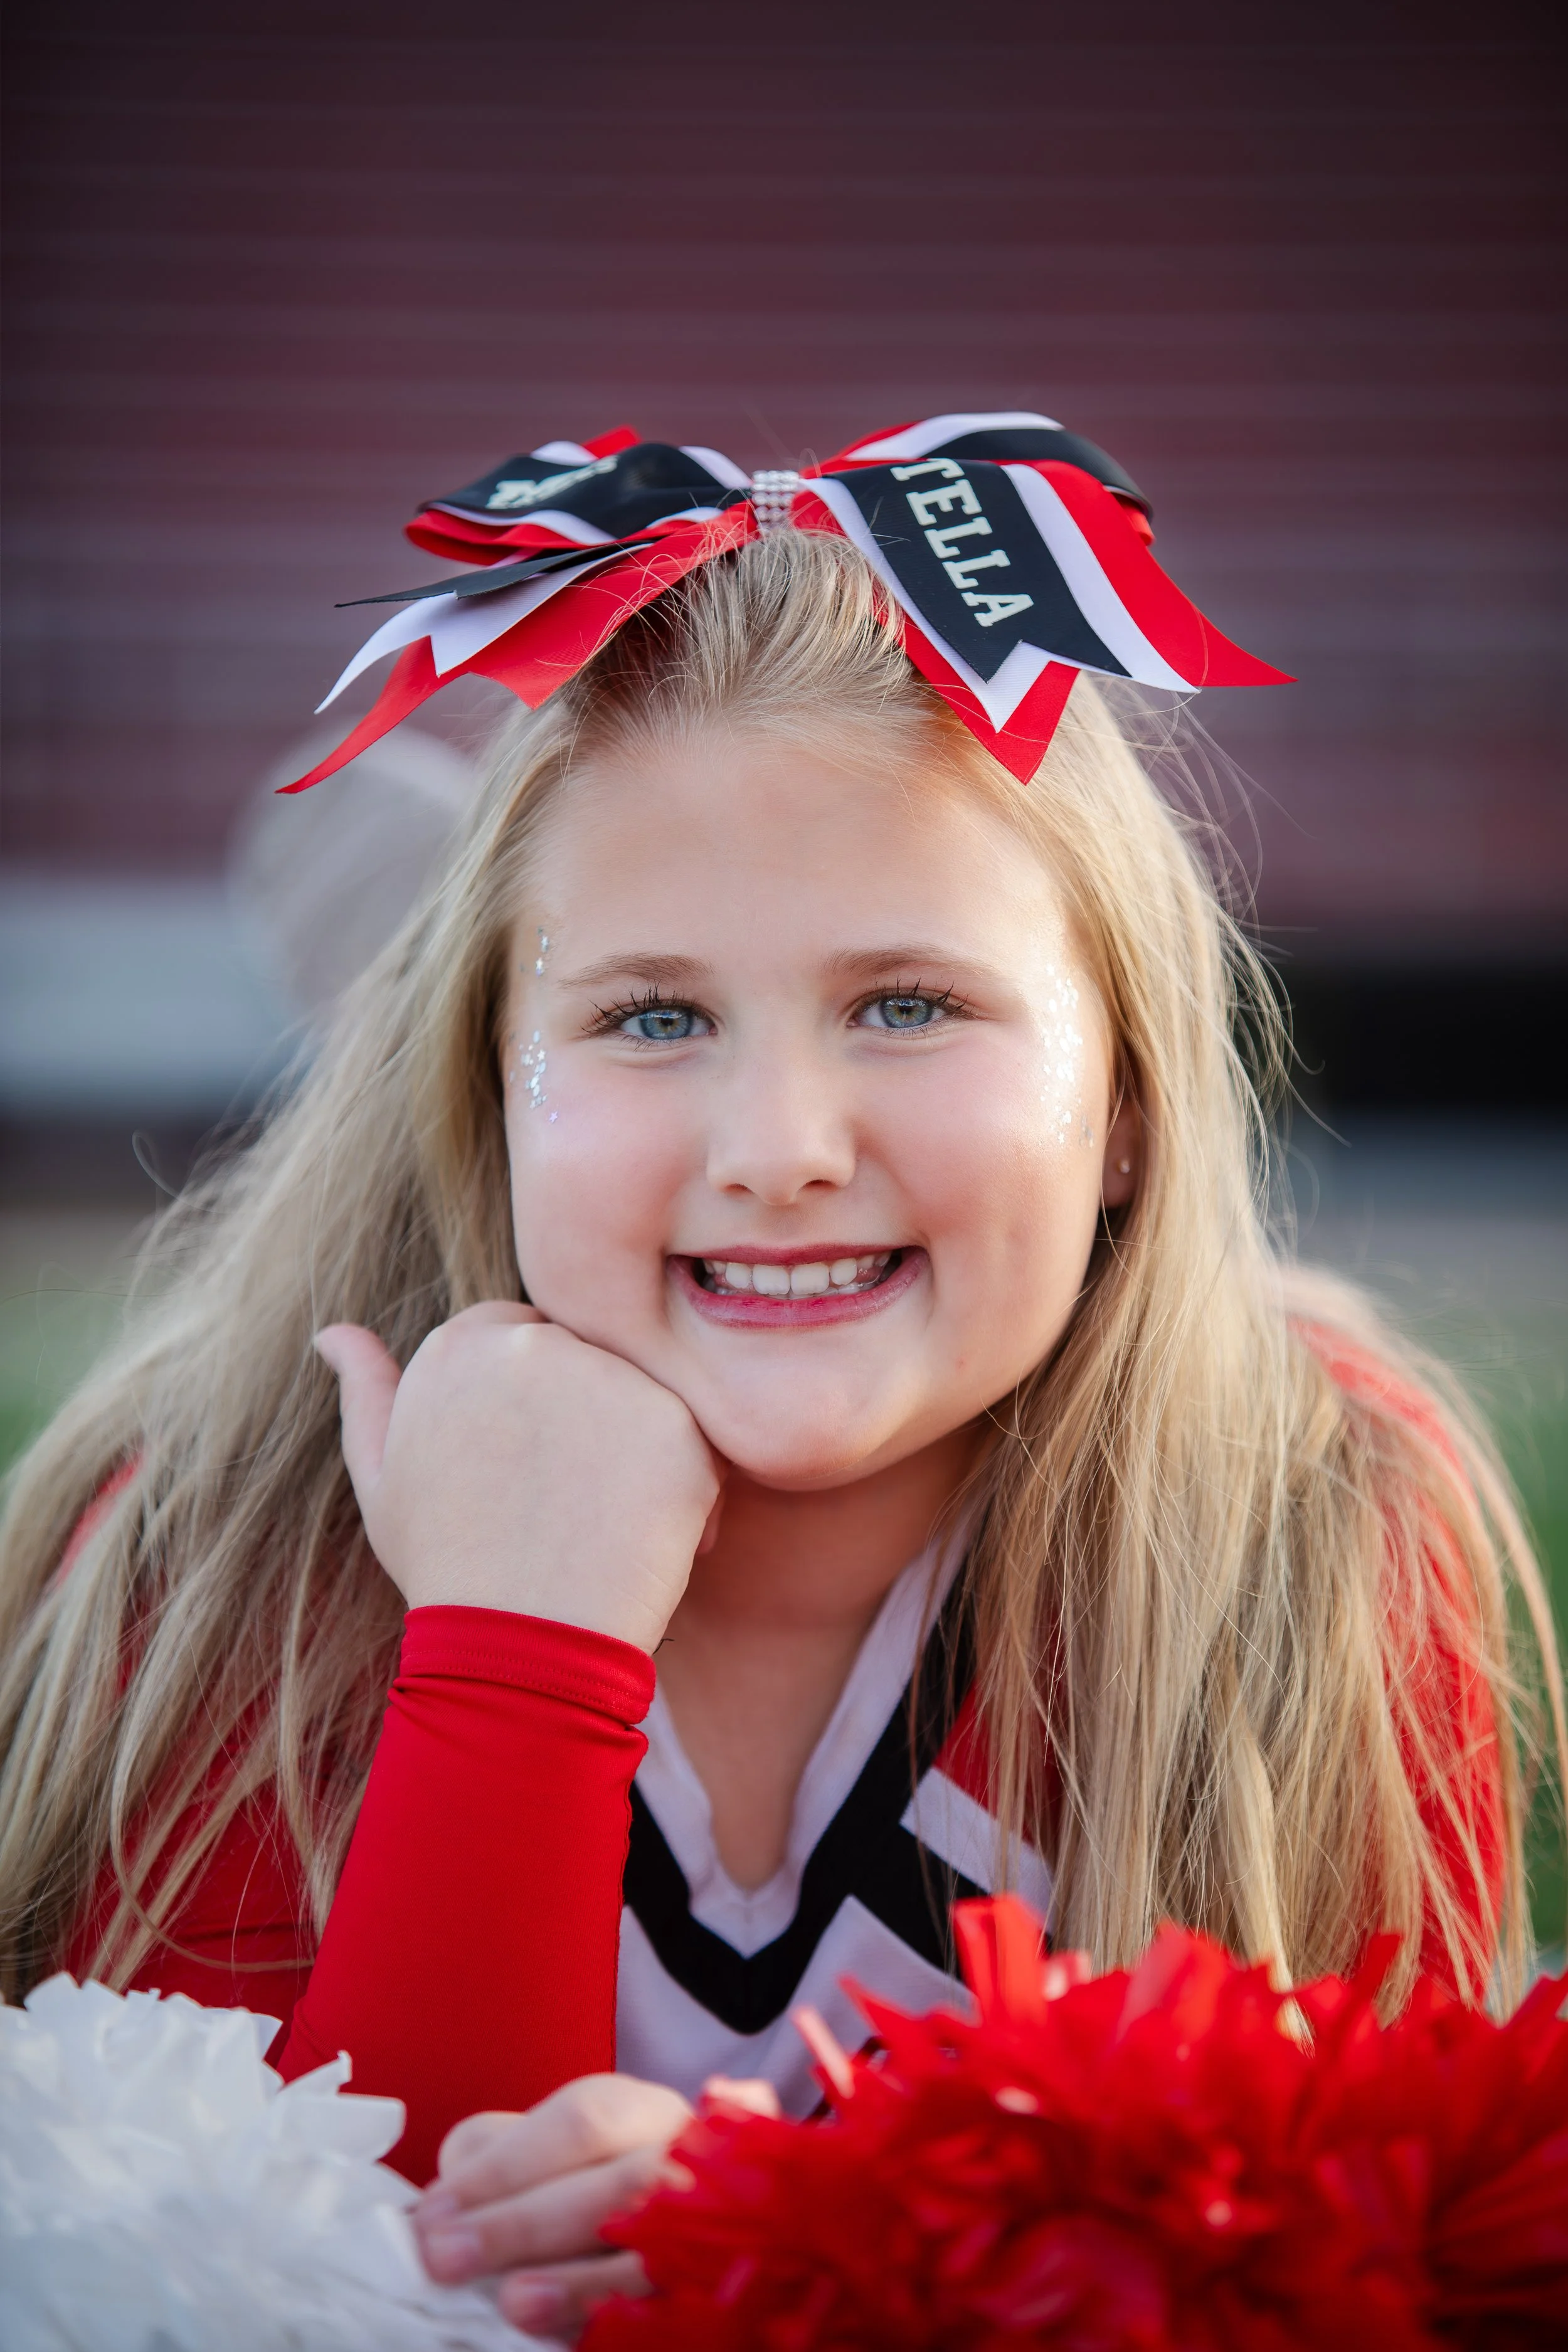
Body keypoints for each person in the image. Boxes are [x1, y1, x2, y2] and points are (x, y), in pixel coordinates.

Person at [1, 421, 1560, 2343]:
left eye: (906, 1004)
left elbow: (1384, 2280)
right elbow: (233, 2291)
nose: (779, 1145)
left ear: (1131, 1104)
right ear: (480, 1101)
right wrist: (512, 1641)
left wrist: (802, 2236)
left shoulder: (1310, 1521)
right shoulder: (222, 1528)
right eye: (649, 1015)